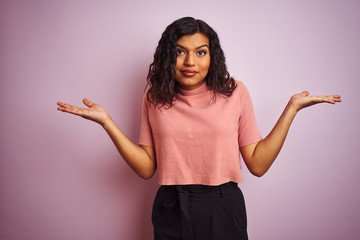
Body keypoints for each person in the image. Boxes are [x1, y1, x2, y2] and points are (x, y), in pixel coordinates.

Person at [57, 17, 341, 240]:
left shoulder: (235, 93)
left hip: (222, 204)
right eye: (180, 52)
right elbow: (146, 168)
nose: (190, 62)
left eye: (200, 52)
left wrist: (291, 109)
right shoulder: (154, 97)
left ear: (211, 56)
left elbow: (257, 163)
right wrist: (107, 123)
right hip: (170, 206)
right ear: (168, 56)